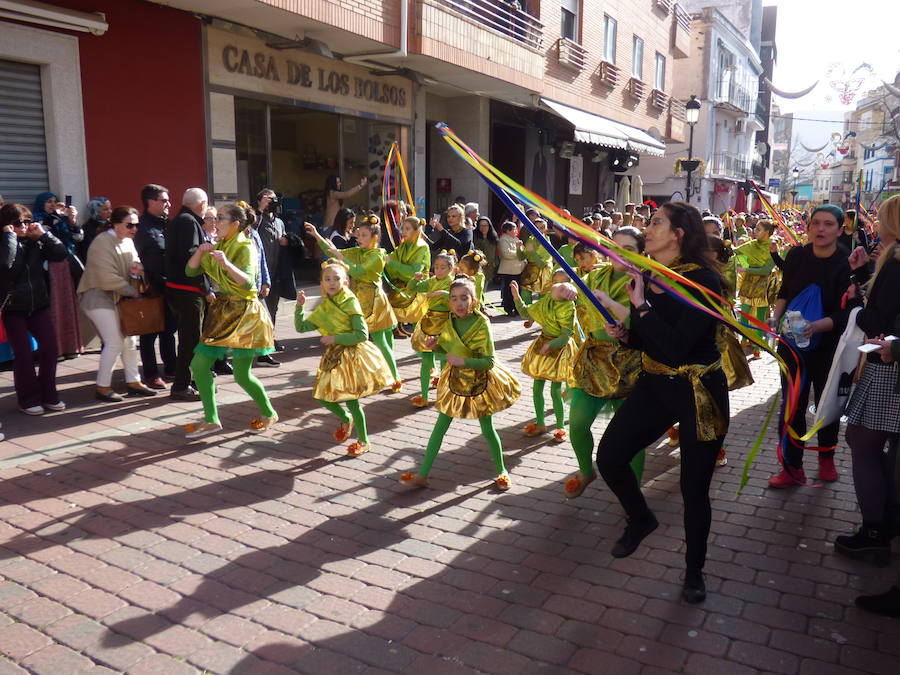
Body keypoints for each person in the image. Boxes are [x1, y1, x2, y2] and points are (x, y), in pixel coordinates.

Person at [593, 202, 730, 604]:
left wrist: (640, 307)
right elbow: (650, 338)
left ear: (678, 235)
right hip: (656, 383)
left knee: (694, 489)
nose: (646, 230)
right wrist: (626, 334)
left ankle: (694, 572)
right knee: (611, 456)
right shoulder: (650, 275)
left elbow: (677, 344)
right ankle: (640, 517)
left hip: (698, 391)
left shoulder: (704, 281)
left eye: (655, 224)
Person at [768, 204, 869, 488]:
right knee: (792, 407)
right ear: (808, 227)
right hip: (793, 346)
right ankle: (791, 467)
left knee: (827, 406)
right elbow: (784, 291)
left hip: (830, 348)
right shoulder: (797, 255)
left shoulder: (845, 262)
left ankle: (826, 459)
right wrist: (775, 318)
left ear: (840, 229)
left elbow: (847, 313)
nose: (820, 229)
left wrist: (815, 327)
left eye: (827, 224)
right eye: (815, 223)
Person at [399, 275, 521, 490]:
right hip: (455, 381)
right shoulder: (449, 321)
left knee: (487, 429)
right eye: (454, 299)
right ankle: (423, 474)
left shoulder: (481, 322)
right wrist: (435, 346)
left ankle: (501, 470)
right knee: (439, 428)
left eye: (464, 298)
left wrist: (463, 360)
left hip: (480, 381)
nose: (458, 303)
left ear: (473, 301)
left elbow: (489, 361)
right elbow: (447, 349)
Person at [834, 195, 900, 565]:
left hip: (887, 367)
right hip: (890, 366)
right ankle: (885, 521)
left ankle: (874, 529)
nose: (875, 223)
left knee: (863, 443)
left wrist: (859, 314)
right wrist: (861, 276)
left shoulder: (896, 263)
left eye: (880, 217)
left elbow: (880, 319)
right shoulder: (889, 261)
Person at [182, 202, 278, 438]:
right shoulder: (220, 243)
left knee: (242, 375)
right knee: (199, 365)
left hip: (245, 313)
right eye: (214, 218)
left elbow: (247, 282)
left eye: (221, 218)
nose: (215, 223)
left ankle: (268, 412)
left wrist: (225, 263)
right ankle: (211, 419)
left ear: (235, 224)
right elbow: (190, 272)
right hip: (224, 311)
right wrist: (200, 251)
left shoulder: (245, 246)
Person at [564, 231, 645, 499]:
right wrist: (562, 289)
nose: (619, 253)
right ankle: (587, 471)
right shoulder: (596, 275)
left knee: (632, 434)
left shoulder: (643, 281)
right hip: (594, 359)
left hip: (629, 362)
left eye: (628, 249)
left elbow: (643, 320)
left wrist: (611, 305)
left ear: (642, 253)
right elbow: (575, 289)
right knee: (577, 423)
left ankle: (634, 492)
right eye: (615, 247)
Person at [295, 259, 392, 456]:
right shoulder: (325, 306)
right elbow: (301, 327)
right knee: (321, 396)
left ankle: (364, 440)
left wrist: (335, 338)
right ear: (322, 283)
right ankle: (346, 418)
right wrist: (299, 307)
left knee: (352, 400)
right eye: (327, 279)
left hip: (352, 356)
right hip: (333, 356)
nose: (332, 282)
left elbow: (362, 334)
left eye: (336, 278)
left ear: (345, 283)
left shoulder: (350, 301)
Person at [307, 215, 401, 392]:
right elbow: (332, 251)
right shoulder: (358, 252)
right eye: (359, 235)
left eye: (364, 235)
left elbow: (357, 271)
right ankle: (362, 377)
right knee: (360, 342)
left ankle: (395, 378)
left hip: (375, 303)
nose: (359, 238)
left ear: (375, 237)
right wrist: (317, 236)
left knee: (381, 341)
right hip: (359, 301)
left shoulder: (378, 254)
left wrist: (339, 255)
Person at [77, 206, 157, 401]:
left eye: (136, 225)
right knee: (114, 342)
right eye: (130, 224)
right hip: (97, 297)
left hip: (118, 298)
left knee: (130, 341)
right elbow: (106, 277)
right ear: (115, 223)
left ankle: (134, 382)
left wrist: (138, 270)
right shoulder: (102, 242)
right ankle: (102, 387)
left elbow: (135, 265)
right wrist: (132, 291)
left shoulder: (128, 241)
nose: (134, 229)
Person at [0, 203, 67, 414]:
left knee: (49, 349)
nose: (22, 226)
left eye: (26, 222)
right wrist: (10, 239)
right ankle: (27, 399)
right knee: (24, 354)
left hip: (38, 304)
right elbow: (6, 268)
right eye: (16, 223)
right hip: (12, 307)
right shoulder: (4, 243)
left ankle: (48, 394)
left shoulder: (35, 242)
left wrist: (44, 236)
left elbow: (60, 254)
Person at [511, 275, 576, 442]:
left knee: (555, 390)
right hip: (543, 344)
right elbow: (526, 312)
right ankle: (540, 423)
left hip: (559, 349)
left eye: (562, 283)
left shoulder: (568, 307)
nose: (557, 284)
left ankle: (560, 426)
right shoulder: (547, 300)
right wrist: (516, 296)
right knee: (536, 388)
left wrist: (551, 345)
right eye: (555, 281)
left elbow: (566, 334)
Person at [164, 188, 210, 401]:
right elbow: (192, 256)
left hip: (179, 288)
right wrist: (206, 287)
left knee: (189, 338)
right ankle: (181, 385)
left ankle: (191, 380)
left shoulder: (179, 220)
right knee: (190, 339)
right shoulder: (188, 222)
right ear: (201, 205)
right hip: (188, 290)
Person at [136, 184, 177, 389]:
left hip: (170, 286)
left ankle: (171, 367)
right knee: (149, 333)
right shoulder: (141, 227)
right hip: (151, 288)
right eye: (164, 200)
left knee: (169, 330)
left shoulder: (167, 224)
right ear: (150, 202)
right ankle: (150, 374)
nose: (169, 204)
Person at [33, 192, 83, 358]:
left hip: (65, 265)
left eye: (55, 201)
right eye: (49, 202)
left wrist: (72, 221)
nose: (53, 204)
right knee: (54, 307)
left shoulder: (60, 219)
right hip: (48, 268)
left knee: (68, 305)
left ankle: (71, 347)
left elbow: (78, 237)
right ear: (41, 204)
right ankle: (56, 349)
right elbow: (43, 236)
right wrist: (55, 217)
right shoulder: (36, 220)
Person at [408, 250, 456, 407]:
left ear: (450, 269)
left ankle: (443, 395)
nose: (439, 270)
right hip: (428, 323)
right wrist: (415, 279)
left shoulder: (452, 283)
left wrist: (443, 293)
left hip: (444, 325)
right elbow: (413, 287)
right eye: (436, 267)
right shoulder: (431, 281)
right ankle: (423, 396)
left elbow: (456, 298)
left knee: (443, 361)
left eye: (443, 267)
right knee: (426, 360)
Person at [255, 188, 296, 353]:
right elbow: (248, 228)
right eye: (268, 200)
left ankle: (270, 338)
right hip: (259, 273)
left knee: (273, 308)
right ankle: (260, 341)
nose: (272, 203)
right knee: (259, 309)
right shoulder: (257, 219)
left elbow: (284, 238)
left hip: (276, 272)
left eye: (273, 200)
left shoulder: (279, 222)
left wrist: (287, 241)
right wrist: (260, 209)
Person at [733, 218, 777, 358]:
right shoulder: (751, 244)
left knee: (760, 318)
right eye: (755, 228)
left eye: (759, 229)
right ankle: (744, 340)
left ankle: (758, 346)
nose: (755, 231)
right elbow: (736, 253)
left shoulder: (773, 246)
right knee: (744, 315)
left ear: (768, 232)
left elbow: (766, 270)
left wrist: (746, 269)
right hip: (749, 284)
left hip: (763, 286)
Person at [385, 215, 431, 336]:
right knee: (386, 310)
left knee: (420, 328)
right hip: (402, 287)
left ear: (416, 231)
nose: (403, 231)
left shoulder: (422, 247)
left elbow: (413, 271)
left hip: (417, 289)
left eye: (407, 228)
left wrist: (394, 265)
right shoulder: (403, 245)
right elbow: (391, 258)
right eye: (403, 228)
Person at [497, 221, 524, 316]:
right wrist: (518, 252)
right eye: (514, 229)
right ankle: (508, 309)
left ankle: (518, 309)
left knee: (518, 290)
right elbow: (506, 254)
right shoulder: (503, 239)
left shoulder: (516, 238)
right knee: (508, 291)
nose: (516, 231)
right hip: (508, 270)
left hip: (517, 269)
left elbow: (522, 252)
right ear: (508, 230)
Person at [80, 196, 111, 260]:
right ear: (96, 211)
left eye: (110, 208)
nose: (110, 211)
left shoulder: (111, 225)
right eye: (106, 209)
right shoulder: (87, 230)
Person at [473, 216, 499, 283]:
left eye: (485, 225)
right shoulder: (474, 236)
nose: (483, 228)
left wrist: (495, 263)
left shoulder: (493, 237)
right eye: (481, 225)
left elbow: (495, 252)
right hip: (478, 267)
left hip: (490, 267)